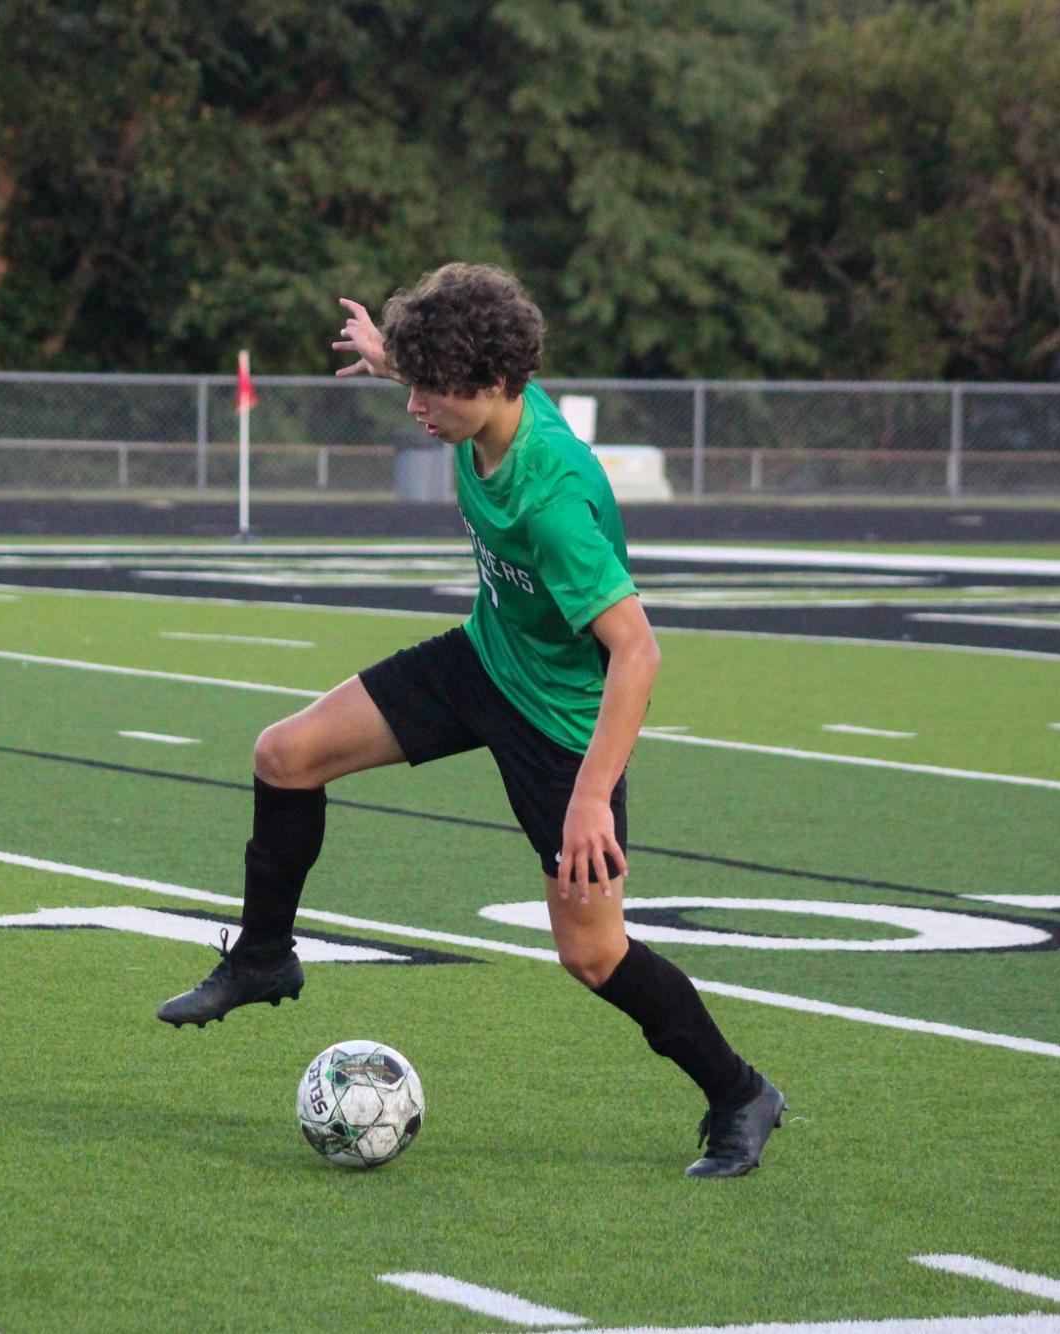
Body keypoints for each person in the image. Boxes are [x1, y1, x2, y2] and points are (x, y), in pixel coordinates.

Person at [157, 263, 785, 1178]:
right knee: (285, 756)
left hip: (562, 727)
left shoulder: (552, 499)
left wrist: (589, 799)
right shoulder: (476, 403)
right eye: (409, 382)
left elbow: (638, 653)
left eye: (428, 388)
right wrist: (388, 360)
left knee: (594, 952)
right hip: (483, 660)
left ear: (491, 387)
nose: (416, 406)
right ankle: (263, 958)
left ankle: (739, 1095)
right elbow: (438, 380)